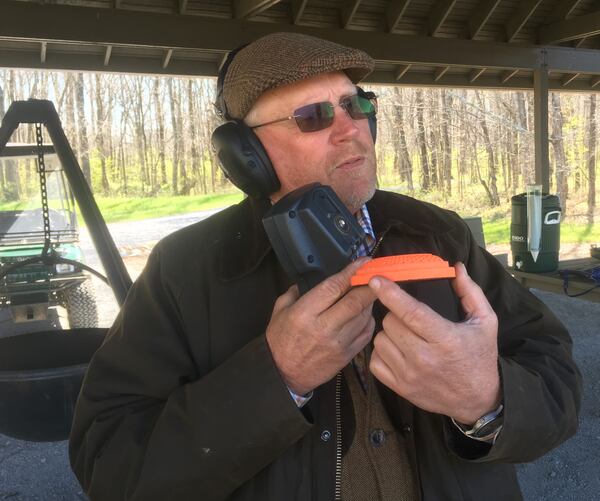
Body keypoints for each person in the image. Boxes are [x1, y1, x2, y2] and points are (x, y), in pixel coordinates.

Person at [69, 32, 581, 501]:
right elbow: (109, 464)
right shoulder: (184, 269)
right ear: (247, 156)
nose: (349, 130)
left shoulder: (439, 233)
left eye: (356, 105)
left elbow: (555, 373)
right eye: (312, 116)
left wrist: (486, 400)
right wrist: (277, 378)